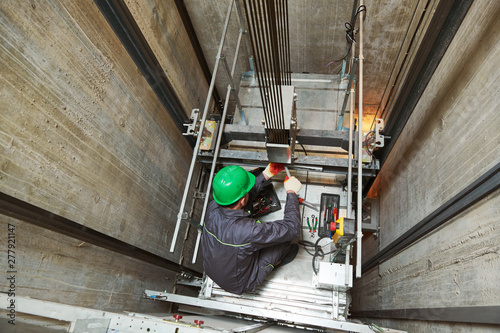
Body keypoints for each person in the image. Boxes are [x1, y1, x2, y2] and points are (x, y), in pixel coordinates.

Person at [201, 163, 302, 295]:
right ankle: (277, 261)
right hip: (240, 284)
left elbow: (240, 198)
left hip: (212, 269)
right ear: (242, 200)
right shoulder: (248, 230)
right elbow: (292, 228)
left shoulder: (214, 206)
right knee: (284, 239)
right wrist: (291, 193)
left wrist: (266, 175)